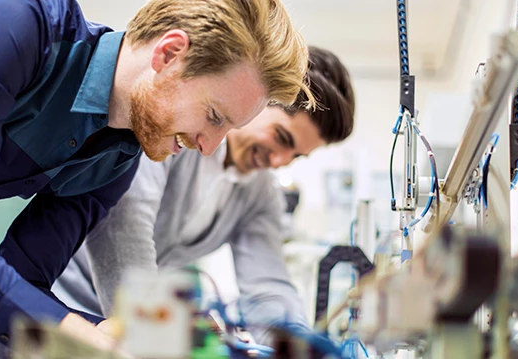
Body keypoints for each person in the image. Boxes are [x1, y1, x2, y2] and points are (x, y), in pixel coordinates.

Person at [0, 0, 312, 351]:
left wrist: (123, 336)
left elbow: (24, 279)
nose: (210, 146)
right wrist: (98, 340)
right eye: (214, 116)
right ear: (169, 55)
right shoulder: (19, 25)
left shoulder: (116, 161)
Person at [53, 47, 355, 345]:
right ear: (259, 100)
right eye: (281, 138)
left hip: (133, 326)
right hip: (62, 310)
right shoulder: (178, 134)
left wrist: (294, 348)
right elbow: (125, 231)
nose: (279, 161)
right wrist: (163, 331)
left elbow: (267, 287)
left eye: (296, 156)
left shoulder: (260, 193)